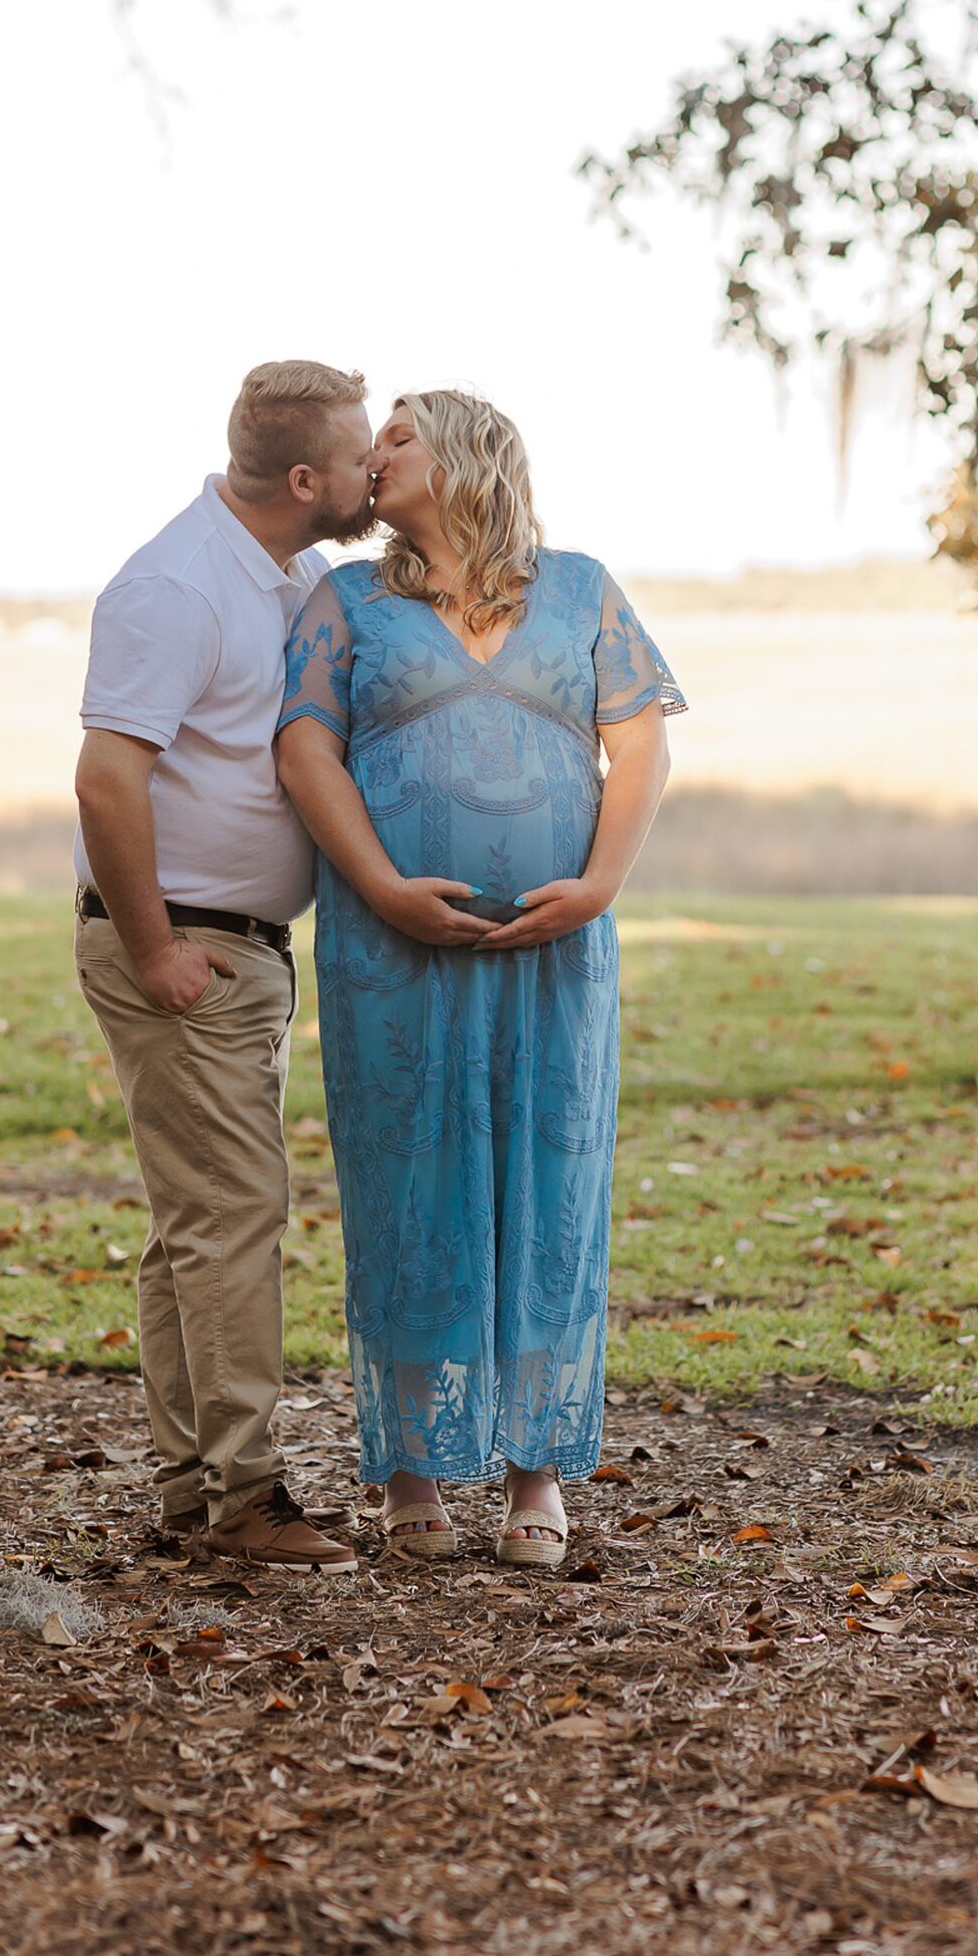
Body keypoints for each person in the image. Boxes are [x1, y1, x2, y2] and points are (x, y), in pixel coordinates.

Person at [275, 389, 682, 1568]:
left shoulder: (582, 586)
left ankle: (533, 1475)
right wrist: (386, 885)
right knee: (412, 1181)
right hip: (391, 948)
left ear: (465, 453)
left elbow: (642, 738)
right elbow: (305, 749)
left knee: (548, 1180)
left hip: (557, 955)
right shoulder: (347, 600)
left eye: (397, 433)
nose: (372, 453)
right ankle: (412, 1473)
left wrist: (600, 882)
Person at [73, 360, 376, 1571]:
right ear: (307, 480)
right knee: (234, 1216)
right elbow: (107, 776)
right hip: (183, 947)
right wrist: (155, 949)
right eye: (361, 456)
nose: (374, 472)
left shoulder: (292, 574)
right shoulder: (176, 587)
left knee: (195, 1224)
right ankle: (244, 1500)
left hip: (238, 952)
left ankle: (192, 1490)